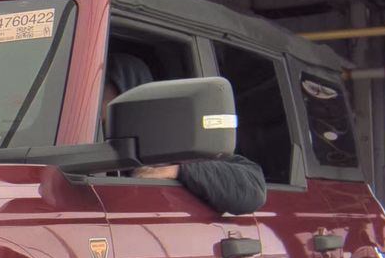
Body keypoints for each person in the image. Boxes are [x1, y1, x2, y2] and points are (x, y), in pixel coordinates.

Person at [103, 54, 267, 217]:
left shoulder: (167, 148)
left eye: (103, 94)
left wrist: (178, 169)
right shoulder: (85, 145)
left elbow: (253, 187)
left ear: (135, 102)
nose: (100, 106)